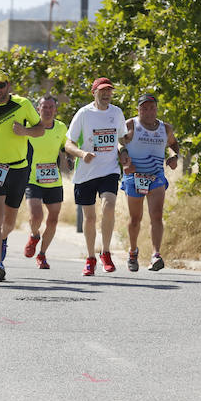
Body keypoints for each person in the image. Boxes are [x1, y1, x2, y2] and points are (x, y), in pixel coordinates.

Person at [0, 70, 45, 282]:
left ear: (8, 85)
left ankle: (2, 238)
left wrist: (25, 132)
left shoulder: (23, 104)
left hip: (18, 169)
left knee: (10, 222)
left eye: (1, 86)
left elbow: (40, 129)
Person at [65, 77, 132, 276]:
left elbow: (120, 139)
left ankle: (106, 252)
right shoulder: (84, 114)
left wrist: (123, 152)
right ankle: (90, 258)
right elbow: (68, 144)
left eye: (109, 91)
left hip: (109, 170)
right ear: (94, 92)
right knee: (90, 217)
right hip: (86, 172)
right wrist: (82, 154)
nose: (106, 94)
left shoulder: (117, 112)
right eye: (102, 91)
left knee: (109, 206)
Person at [118, 93, 180, 272]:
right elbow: (118, 140)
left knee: (157, 215)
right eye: (144, 108)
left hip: (156, 176)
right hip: (134, 175)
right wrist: (123, 154)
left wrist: (174, 157)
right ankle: (133, 252)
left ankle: (156, 255)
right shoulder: (131, 124)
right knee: (135, 219)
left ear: (156, 109)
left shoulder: (165, 128)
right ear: (138, 109)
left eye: (152, 107)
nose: (148, 111)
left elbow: (174, 144)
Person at [23, 95, 69, 269]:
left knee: (53, 220)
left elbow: (66, 146)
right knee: (36, 216)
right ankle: (34, 235)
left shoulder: (61, 127)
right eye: (44, 107)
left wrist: (70, 157)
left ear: (55, 110)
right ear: (38, 109)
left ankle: (42, 255)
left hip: (53, 180)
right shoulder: (30, 128)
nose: (47, 110)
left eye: (51, 107)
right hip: (33, 178)